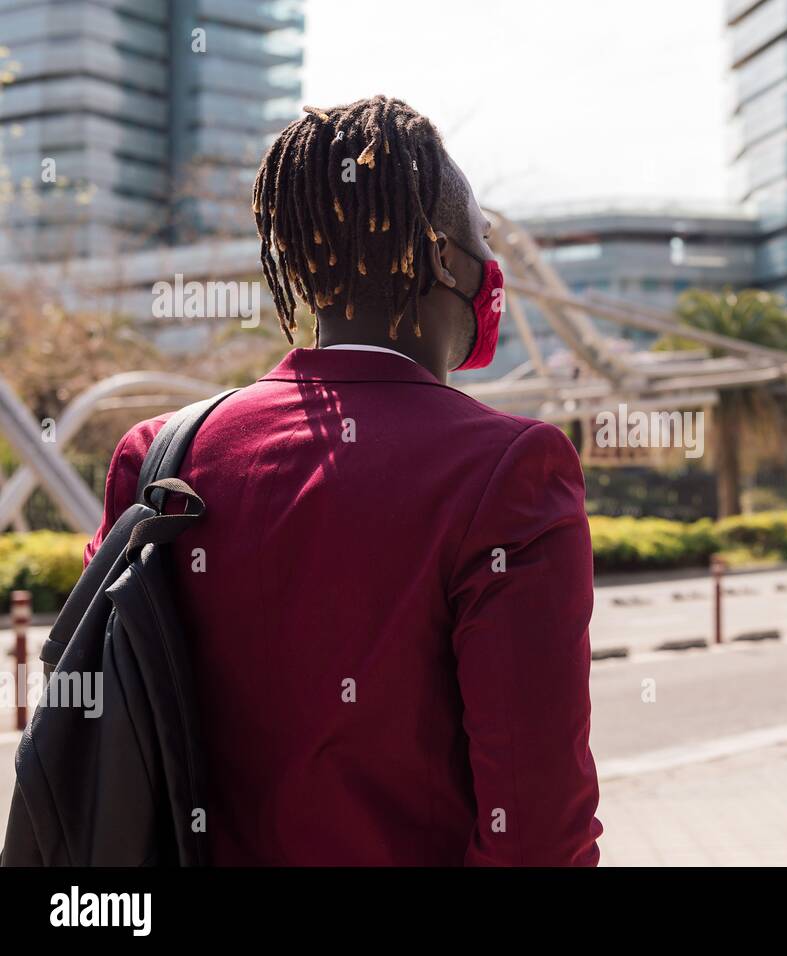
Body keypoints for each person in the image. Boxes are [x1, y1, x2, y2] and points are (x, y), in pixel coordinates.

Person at [84, 95, 602, 865]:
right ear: (443, 261)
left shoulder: (161, 455)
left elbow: (102, 738)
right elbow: (536, 835)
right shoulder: (510, 470)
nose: (494, 267)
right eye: (483, 240)